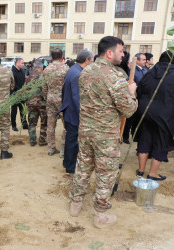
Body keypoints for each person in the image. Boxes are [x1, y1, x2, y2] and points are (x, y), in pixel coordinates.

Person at [69, 36, 138, 229]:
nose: (123, 55)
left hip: (85, 131)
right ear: (109, 52)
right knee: (106, 173)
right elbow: (128, 110)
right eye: (121, 51)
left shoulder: (85, 71)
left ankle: (76, 204)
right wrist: (131, 92)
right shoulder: (115, 76)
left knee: (83, 167)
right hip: (105, 135)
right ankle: (100, 215)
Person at [134, 50, 174, 181]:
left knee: (145, 138)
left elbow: (139, 90)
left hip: (145, 112)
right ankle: (152, 173)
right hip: (165, 115)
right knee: (160, 142)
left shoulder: (150, 72)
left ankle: (140, 170)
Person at [58, 50, 93, 174]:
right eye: (92, 61)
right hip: (73, 112)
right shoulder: (78, 74)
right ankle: (71, 167)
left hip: (69, 109)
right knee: (73, 141)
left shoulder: (73, 70)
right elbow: (77, 97)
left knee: (70, 139)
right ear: (87, 60)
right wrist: (82, 115)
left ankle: (67, 163)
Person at [43, 48, 69, 157]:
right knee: (66, 125)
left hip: (50, 99)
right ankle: (63, 150)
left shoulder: (46, 70)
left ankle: (51, 148)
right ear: (62, 57)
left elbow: (44, 87)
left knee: (50, 124)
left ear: (52, 57)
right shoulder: (66, 69)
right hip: (63, 101)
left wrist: (46, 97)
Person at [25, 60, 47, 147]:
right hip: (42, 104)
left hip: (31, 104)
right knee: (44, 123)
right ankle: (42, 140)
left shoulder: (28, 78)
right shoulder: (45, 77)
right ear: (42, 68)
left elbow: (25, 92)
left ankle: (32, 140)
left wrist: (27, 103)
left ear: (34, 68)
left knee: (32, 123)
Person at [11, 58, 28, 131]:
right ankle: (13, 125)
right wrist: (19, 90)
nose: (23, 65)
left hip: (21, 94)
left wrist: (23, 90)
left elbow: (23, 81)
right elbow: (13, 84)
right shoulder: (12, 72)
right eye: (22, 63)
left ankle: (24, 123)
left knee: (22, 109)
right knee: (14, 111)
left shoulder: (22, 71)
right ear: (17, 63)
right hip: (14, 95)